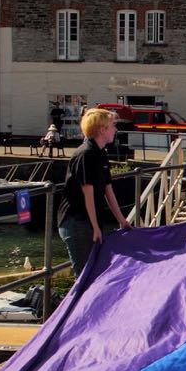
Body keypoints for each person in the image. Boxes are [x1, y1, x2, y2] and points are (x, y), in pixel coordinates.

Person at [57, 108, 132, 277]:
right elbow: (87, 193)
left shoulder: (100, 153)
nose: (116, 129)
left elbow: (108, 188)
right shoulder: (85, 154)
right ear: (102, 129)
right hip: (76, 221)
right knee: (85, 273)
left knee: (96, 270)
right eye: (113, 125)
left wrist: (121, 220)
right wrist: (96, 227)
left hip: (89, 220)